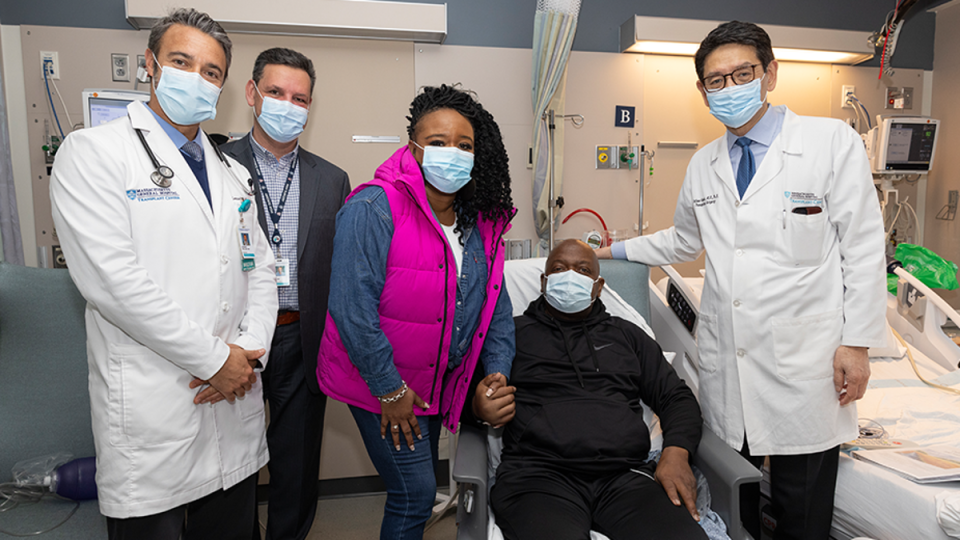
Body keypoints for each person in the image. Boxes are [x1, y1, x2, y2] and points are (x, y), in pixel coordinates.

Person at [597, 21, 886, 540]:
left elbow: (863, 246)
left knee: (802, 511)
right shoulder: (704, 165)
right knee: (737, 501)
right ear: (703, 92)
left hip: (806, 362)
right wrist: (612, 250)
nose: (729, 88)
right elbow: (682, 241)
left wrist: (857, 344)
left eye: (742, 74)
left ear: (770, 74)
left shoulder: (829, 142)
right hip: (729, 361)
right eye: (716, 80)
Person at [49, 8, 277, 540]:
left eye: (212, 71)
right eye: (182, 61)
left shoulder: (232, 173)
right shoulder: (94, 154)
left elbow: (260, 268)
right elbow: (115, 284)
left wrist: (247, 352)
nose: (197, 78)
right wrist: (215, 359)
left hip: (234, 397)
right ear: (150, 64)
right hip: (156, 410)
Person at [317, 84, 516, 540]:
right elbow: (351, 310)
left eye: (464, 145)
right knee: (414, 493)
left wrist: (497, 372)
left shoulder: (479, 223)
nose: (452, 154)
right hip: (379, 383)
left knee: (417, 490)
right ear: (413, 147)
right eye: (438, 143)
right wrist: (390, 391)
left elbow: (495, 307)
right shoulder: (372, 207)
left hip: (434, 385)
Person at [487, 239, 706, 540]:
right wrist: (478, 408)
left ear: (598, 285)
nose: (569, 276)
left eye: (582, 270)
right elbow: (468, 394)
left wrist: (676, 452)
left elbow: (676, 397)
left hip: (623, 478)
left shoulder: (627, 336)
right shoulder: (510, 336)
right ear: (543, 281)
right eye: (559, 268)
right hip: (537, 479)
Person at [221, 47, 350, 540]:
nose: (287, 105)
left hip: (300, 337)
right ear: (252, 94)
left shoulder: (332, 179)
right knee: (232, 457)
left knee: (296, 460)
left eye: (300, 98)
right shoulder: (215, 164)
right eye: (275, 92)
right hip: (232, 340)